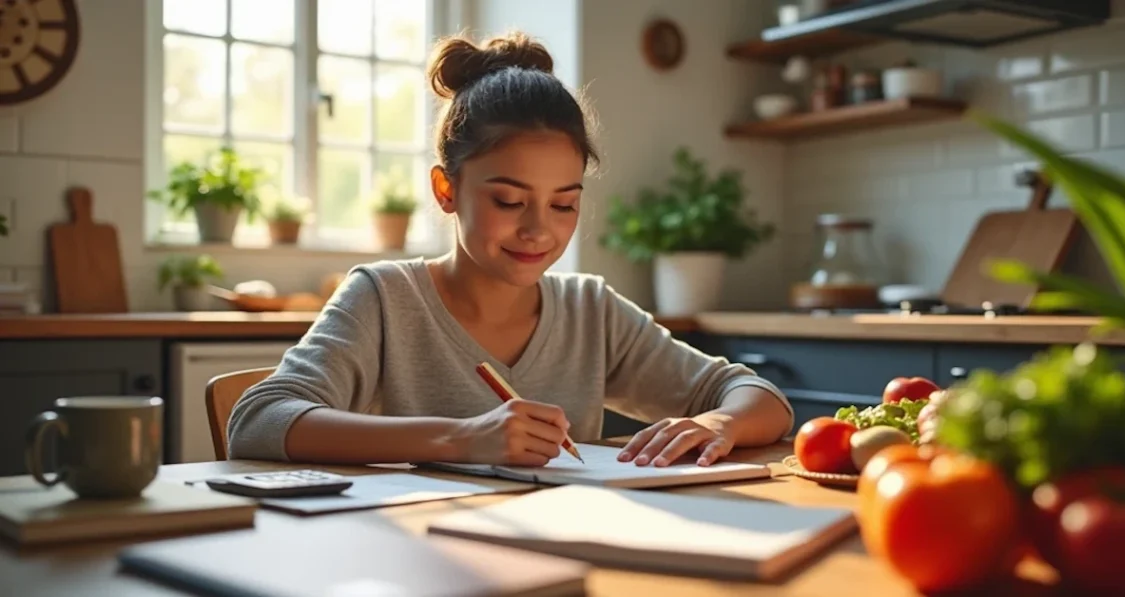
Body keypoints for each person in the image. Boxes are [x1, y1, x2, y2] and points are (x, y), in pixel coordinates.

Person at [227, 31, 793, 468]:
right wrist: (460, 437)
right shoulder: (383, 298)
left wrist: (721, 422)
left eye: (563, 204)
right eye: (508, 200)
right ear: (446, 190)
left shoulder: (588, 311)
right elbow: (256, 420)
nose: (538, 231)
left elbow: (758, 396)